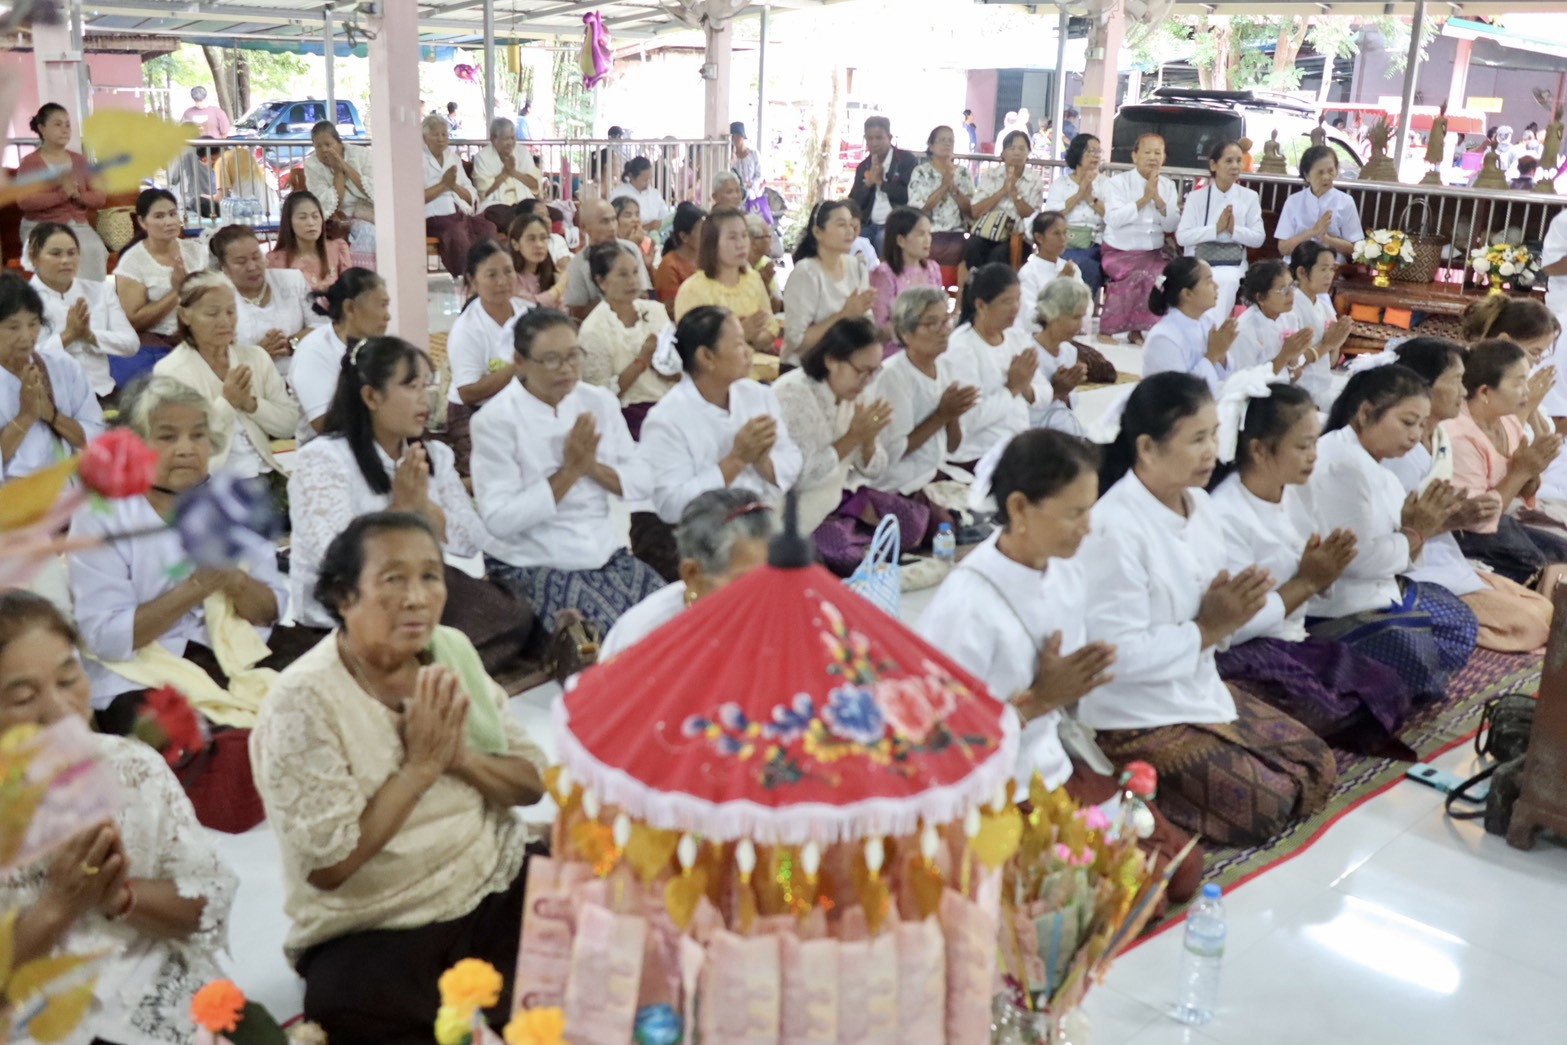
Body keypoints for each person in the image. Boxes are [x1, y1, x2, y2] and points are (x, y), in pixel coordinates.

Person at [251, 511, 549, 1043]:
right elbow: (329, 867)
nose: (417, 598)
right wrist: (418, 770)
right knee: (356, 1004)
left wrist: (459, 758)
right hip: (381, 923)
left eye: (431, 576)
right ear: (343, 596)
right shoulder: (302, 702)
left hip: (492, 875)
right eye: (394, 579)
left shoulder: (451, 651)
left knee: (597, 941)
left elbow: (531, 783)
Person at [916, 430, 1202, 904]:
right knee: (1125, 895)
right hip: (994, 794)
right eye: (1074, 513)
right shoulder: (965, 608)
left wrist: (1070, 691)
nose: (1087, 528)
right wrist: (1037, 702)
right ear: (1020, 508)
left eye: (1090, 509)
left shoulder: (1065, 570)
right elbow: (938, 739)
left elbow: (1074, 687)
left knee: (1181, 869)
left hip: (1053, 768)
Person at [1077, 372, 1336, 846]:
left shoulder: (1199, 506)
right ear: (1148, 448)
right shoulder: (1113, 528)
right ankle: (1128, 783)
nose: (1212, 452)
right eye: (1197, 439)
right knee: (1268, 805)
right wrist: (1207, 627)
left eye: (1215, 435)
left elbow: (1220, 617)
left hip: (1197, 686)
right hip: (1133, 714)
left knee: (1318, 763)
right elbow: (1116, 655)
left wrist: (1230, 615)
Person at [0, 590, 238, 1045]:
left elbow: (206, 904)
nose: (60, 711)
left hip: (163, 1000)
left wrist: (120, 895)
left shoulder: (133, 768)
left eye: (68, 679)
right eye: (24, 697)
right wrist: (57, 906)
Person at [287, 337, 538, 671]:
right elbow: (333, 560)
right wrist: (401, 510)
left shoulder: (433, 456)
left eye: (426, 386)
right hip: (349, 607)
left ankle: (416, 663)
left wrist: (424, 508)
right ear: (371, 396)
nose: (424, 398)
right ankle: (406, 666)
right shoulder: (322, 459)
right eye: (411, 386)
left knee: (514, 608)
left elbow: (471, 542)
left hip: (416, 591)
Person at [66, 375, 297, 732]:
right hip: (138, 674)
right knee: (206, 745)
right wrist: (195, 588)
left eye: (198, 435)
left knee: (328, 684)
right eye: (167, 436)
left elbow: (271, 610)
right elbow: (108, 639)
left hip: (236, 650)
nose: (186, 449)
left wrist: (234, 579)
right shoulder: (101, 517)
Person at [1208, 376, 1417, 754]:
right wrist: (1306, 581)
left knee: (1388, 685)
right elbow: (1230, 627)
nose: (1313, 456)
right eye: (1303, 446)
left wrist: (1321, 575)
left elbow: (1312, 577)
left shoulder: (1293, 494)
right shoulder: (1226, 515)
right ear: (1260, 450)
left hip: (1293, 637)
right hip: (1243, 650)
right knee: (1327, 706)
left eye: (1314, 444)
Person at [473, 309, 666, 636]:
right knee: (609, 637)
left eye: (573, 356)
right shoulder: (495, 420)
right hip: (534, 561)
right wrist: (570, 471)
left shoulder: (599, 402)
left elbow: (642, 480)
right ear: (520, 361)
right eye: (551, 360)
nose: (566, 369)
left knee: (673, 620)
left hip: (603, 552)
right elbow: (500, 519)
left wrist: (591, 467)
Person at [1299, 365, 1479, 700]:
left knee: (1459, 621)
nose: (1415, 435)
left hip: (1377, 588)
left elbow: (1400, 541)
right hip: (1332, 604)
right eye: (1408, 422)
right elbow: (1356, 560)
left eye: (1421, 425)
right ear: (1367, 413)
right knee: (1412, 655)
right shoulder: (1342, 465)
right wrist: (1414, 533)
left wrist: (1420, 529)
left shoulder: (1376, 465)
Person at [1384, 337, 1553, 652]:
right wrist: (1454, 519)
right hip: (1410, 566)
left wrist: (1530, 469)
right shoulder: (1398, 448)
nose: (1464, 392)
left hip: (1445, 553)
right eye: (1456, 382)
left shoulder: (1439, 438)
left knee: (1544, 608)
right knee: (1530, 624)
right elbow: (1391, 530)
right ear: (1422, 386)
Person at [775, 316, 921, 573]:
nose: (867, 381)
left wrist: (868, 440)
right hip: (791, 516)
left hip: (839, 501)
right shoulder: (792, 395)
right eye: (861, 371)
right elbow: (802, 477)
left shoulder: (854, 393)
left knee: (909, 526)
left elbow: (875, 469)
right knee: (848, 556)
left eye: (874, 371)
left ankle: (859, 542)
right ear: (831, 360)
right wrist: (853, 436)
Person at [641, 305, 804, 525]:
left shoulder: (757, 394)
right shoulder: (666, 420)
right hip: (706, 531)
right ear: (707, 357)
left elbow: (792, 458)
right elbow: (671, 505)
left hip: (761, 518)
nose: (748, 352)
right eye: (739, 344)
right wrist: (736, 460)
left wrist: (764, 462)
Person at [598, 489, 779, 660]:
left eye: (772, 577)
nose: (765, 593)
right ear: (692, 575)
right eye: (746, 581)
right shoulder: (642, 636)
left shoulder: (784, 618)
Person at [1443, 338, 1567, 586]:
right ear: (1485, 392)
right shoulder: (1460, 437)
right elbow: (1477, 519)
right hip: (1465, 535)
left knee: (1562, 551)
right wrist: (1521, 472)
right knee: (1538, 565)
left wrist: (1533, 470)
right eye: (1518, 383)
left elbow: (1525, 491)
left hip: (1503, 519)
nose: (1527, 391)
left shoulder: (1507, 420)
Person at [153, 272, 300, 480]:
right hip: (208, 484)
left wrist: (250, 404)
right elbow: (184, 444)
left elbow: (289, 424)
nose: (225, 322)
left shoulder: (256, 357)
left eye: (231, 312)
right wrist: (228, 402)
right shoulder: (170, 371)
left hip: (265, 473)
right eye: (212, 313)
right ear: (184, 316)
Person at [872, 285, 978, 499]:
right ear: (906, 333)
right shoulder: (892, 376)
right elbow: (894, 451)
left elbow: (953, 446)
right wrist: (942, 415)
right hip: (901, 485)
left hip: (933, 474)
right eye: (931, 323)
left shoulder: (946, 367)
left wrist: (953, 415)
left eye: (946, 320)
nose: (944, 330)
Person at [0, 271, 102, 479]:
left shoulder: (63, 366)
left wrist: (52, 415)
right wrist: (26, 416)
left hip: (65, 485)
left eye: (33, 324)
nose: (26, 336)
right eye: (13, 327)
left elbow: (95, 437)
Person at [444, 240, 529, 476]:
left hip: (518, 406)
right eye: (492, 275)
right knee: (489, 473)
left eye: (508, 272)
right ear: (473, 281)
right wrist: (518, 366)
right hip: (472, 411)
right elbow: (467, 392)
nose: (502, 281)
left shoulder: (526, 314)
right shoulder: (467, 328)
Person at [28, 222, 137, 399]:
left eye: (72, 253)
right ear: (34, 258)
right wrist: (67, 337)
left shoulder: (101, 291)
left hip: (103, 392)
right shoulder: (21, 300)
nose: (66, 260)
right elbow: (20, 358)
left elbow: (131, 344)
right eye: (55, 254)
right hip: (50, 398)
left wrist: (89, 336)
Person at [580, 241, 676, 438]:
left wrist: (665, 366)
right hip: (630, 417)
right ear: (601, 282)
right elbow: (601, 399)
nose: (633, 281)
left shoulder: (655, 311)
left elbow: (680, 371)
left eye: (635, 272)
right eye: (623, 275)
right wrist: (642, 360)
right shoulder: (593, 330)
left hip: (673, 404)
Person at [945, 263, 1035, 468]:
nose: (1015, 308)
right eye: (1007, 301)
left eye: (1018, 299)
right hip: (977, 455)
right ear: (981, 305)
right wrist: (1012, 389)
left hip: (1016, 446)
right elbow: (969, 419)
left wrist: (1028, 389)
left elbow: (1042, 392)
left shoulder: (1017, 338)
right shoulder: (962, 347)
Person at [114, 188, 209, 381]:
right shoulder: (133, 262)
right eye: (159, 216)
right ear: (142, 222)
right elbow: (133, 321)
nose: (169, 221)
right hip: (158, 345)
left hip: (201, 336)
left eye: (173, 214)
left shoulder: (196, 251)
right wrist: (177, 291)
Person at [290, 268, 390, 442]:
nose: (387, 316)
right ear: (350, 308)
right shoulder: (314, 350)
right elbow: (324, 424)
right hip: (328, 450)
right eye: (381, 305)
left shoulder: (381, 347)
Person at [211, 224, 321, 381]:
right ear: (225, 269)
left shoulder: (292, 280)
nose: (252, 266)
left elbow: (321, 325)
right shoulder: (217, 298)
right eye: (241, 262)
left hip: (302, 377)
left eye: (256, 257)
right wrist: (259, 354)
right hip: (249, 384)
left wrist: (293, 343)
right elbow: (214, 358)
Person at [1100, 133, 1181, 341]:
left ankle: (1149, 330)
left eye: (1158, 153)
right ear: (1135, 156)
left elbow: (1171, 225)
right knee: (1141, 274)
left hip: (1154, 251)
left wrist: (1158, 200)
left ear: (1164, 157)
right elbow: (1114, 219)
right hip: (1119, 249)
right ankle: (1112, 329)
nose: (1153, 157)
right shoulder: (1117, 183)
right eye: (1147, 152)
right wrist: (1144, 199)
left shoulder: (1168, 186)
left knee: (1165, 274)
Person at [16, 103, 109, 281]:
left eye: (67, 125)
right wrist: (61, 195)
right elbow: (24, 201)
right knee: (60, 252)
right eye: (58, 124)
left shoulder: (79, 160)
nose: (65, 130)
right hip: (41, 226)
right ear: (42, 129)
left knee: (94, 248)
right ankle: (63, 296)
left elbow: (99, 198)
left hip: (78, 226)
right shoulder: (30, 162)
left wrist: (79, 196)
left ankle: (90, 296)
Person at [1176, 140, 1264, 326]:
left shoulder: (1249, 197)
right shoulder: (1196, 197)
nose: (1235, 166)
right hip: (1198, 259)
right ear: (1213, 165)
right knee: (1201, 279)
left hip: (1232, 263)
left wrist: (1233, 230)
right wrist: (1215, 229)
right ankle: (1202, 331)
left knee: (1226, 280)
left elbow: (1258, 238)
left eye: (1239, 160)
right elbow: (1182, 237)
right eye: (1229, 161)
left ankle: (1214, 332)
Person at [673, 206, 779, 354]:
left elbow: (771, 327)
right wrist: (741, 334)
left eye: (744, 235)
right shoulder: (693, 289)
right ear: (712, 243)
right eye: (732, 237)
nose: (741, 244)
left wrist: (752, 339)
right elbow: (693, 348)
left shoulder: (753, 279)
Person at [783, 200, 873, 365]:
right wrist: (843, 315)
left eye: (851, 225)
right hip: (805, 367)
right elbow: (797, 341)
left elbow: (866, 322)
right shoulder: (806, 273)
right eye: (841, 225)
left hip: (845, 365)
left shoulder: (856, 267)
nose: (850, 231)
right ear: (818, 232)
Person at [1142, 257, 1237, 394]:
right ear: (1187, 294)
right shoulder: (1163, 338)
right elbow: (1179, 393)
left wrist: (1222, 352)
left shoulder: (1207, 321)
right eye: (1209, 282)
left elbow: (1223, 380)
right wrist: (1213, 354)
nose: (1217, 286)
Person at [421, 114, 495, 279]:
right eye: (435, 134)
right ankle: (468, 278)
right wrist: (443, 185)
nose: (441, 139)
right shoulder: (418, 160)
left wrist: (453, 185)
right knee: (457, 234)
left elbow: (471, 194)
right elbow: (415, 198)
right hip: (434, 216)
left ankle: (488, 273)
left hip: (461, 212)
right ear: (425, 138)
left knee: (487, 228)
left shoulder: (453, 159)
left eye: (444, 134)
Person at [1288, 240, 1354, 411]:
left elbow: (1331, 362)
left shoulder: (1324, 307)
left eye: (1332, 269)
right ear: (1302, 272)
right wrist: (1327, 344)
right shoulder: (1289, 307)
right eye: (1323, 269)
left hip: (1323, 386)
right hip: (1297, 393)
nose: (1329, 276)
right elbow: (1290, 364)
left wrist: (1337, 343)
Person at [869, 206, 943, 355]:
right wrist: (918, 325)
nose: (928, 240)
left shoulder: (932, 268)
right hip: (896, 352)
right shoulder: (884, 274)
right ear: (901, 240)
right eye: (921, 234)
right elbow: (879, 328)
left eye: (929, 233)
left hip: (929, 347)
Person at [965, 130, 1043, 271]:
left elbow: (1033, 218)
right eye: (1012, 148)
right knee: (972, 245)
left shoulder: (1034, 180)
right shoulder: (992, 175)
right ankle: (975, 282)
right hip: (988, 232)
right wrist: (1001, 192)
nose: (1017, 153)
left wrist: (1014, 194)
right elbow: (975, 211)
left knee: (999, 254)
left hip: (1017, 237)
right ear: (1003, 153)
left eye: (1022, 148)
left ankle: (992, 285)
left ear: (1028, 154)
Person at [562, 198, 651, 320]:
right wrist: (613, 294)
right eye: (604, 222)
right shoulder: (577, 265)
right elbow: (578, 313)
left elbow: (644, 294)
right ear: (584, 227)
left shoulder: (630, 249)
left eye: (614, 220)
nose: (612, 227)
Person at [1043, 134, 1108, 299]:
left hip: (1095, 243)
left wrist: (1090, 198)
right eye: (1091, 151)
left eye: (1098, 152)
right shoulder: (1061, 184)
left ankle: (1081, 309)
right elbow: (1050, 217)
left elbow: (1113, 216)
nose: (1096, 156)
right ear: (1078, 153)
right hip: (1065, 242)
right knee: (1069, 263)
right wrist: (1079, 195)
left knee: (1088, 265)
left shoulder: (1107, 184)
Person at [304, 121, 376, 269]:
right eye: (318, 146)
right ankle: (359, 275)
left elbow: (374, 189)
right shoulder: (312, 165)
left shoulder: (361, 155)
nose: (324, 150)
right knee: (369, 232)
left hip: (370, 210)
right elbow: (330, 203)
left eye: (328, 144)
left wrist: (344, 165)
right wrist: (338, 172)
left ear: (339, 143)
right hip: (340, 216)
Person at [1228, 260, 1316, 380]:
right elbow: (1245, 382)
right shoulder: (1244, 331)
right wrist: (1285, 355)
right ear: (1260, 297)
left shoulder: (1289, 317)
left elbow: (1295, 373)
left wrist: (1295, 355)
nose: (1291, 294)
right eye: (1284, 290)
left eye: (1292, 286)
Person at [1027, 277, 1092, 436]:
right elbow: (1020, 407)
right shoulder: (1028, 352)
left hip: (1063, 427)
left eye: (1082, 317)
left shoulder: (1069, 351)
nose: (1080, 325)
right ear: (1051, 314)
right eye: (1075, 317)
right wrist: (1055, 391)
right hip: (1033, 435)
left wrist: (1066, 391)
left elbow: (1068, 401)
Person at [1274, 145, 1364, 260]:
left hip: (1332, 267)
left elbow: (1356, 249)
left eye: (1331, 171)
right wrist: (1313, 231)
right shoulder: (1293, 201)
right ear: (1307, 176)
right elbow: (1283, 248)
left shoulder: (1346, 202)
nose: (1326, 177)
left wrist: (1327, 239)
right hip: (1297, 265)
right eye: (1320, 173)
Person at [906, 124, 975, 269]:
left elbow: (970, 211)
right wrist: (943, 186)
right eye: (942, 140)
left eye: (950, 140)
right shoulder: (920, 172)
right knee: (933, 246)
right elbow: (919, 210)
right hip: (929, 230)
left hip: (957, 231)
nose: (947, 144)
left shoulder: (963, 173)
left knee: (969, 248)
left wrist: (953, 188)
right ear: (931, 146)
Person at [849, 117, 918, 254]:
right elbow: (853, 202)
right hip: (868, 224)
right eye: (869, 138)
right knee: (856, 242)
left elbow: (909, 195)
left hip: (896, 224)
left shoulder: (906, 160)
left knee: (883, 239)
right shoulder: (863, 166)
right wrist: (868, 184)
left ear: (889, 137)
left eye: (879, 138)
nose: (874, 143)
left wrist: (882, 183)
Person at [1014, 210, 1082, 336]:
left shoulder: (1072, 268)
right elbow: (1030, 318)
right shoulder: (1028, 273)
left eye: (1065, 232)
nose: (1063, 239)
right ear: (1039, 238)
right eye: (1056, 233)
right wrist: (1061, 284)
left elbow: (1085, 307)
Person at [269, 190, 352, 294]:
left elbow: (350, 293)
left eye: (315, 216)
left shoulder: (337, 249)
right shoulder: (276, 261)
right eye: (303, 217)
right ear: (289, 222)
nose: (311, 223)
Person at [472, 116, 540, 234]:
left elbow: (535, 184)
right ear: (493, 139)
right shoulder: (482, 157)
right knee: (506, 216)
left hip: (523, 201)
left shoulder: (522, 152)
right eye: (505, 139)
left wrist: (513, 172)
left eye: (513, 138)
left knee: (554, 214)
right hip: (497, 203)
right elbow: (484, 192)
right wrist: (504, 174)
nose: (510, 143)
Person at [653, 201, 706, 312]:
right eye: (702, 231)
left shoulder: (709, 259)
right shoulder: (670, 266)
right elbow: (673, 309)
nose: (707, 235)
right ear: (684, 237)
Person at [507, 212, 565, 308]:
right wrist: (559, 288)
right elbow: (531, 306)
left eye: (543, 238)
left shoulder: (552, 275)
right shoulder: (509, 278)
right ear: (515, 244)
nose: (539, 245)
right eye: (531, 239)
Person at [609, 156, 672, 234]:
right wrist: (647, 227)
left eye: (649, 179)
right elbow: (615, 224)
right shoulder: (619, 194)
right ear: (631, 176)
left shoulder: (654, 194)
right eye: (644, 180)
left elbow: (664, 215)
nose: (648, 184)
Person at [746, 211, 784, 313]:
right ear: (753, 242)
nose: (771, 240)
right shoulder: (737, 266)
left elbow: (776, 307)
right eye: (768, 236)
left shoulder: (766, 264)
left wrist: (765, 286)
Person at [730, 121, 764, 201]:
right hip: (735, 196)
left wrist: (752, 184)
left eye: (737, 136)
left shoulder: (753, 154)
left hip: (752, 195)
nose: (735, 139)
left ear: (743, 137)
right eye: (732, 137)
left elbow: (759, 175)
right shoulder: (730, 156)